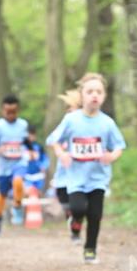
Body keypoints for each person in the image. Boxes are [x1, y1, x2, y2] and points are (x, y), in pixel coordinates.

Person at [47, 73, 125, 264]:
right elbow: (53, 140)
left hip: (98, 178)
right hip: (76, 178)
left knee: (95, 215)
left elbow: (119, 146)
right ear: (82, 95)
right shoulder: (71, 120)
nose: (94, 95)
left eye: (99, 91)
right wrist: (62, 154)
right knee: (78, 208)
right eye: (90, 91)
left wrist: (111, 156)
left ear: (104, 96)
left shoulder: (107, 122)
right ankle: (74, 225)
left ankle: (90, 249)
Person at [0, 94, 28, 235]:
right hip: (4, 166)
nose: (10, 115)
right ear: (2, 110)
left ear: (18, 110)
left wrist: (32, 150)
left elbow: (26, 141)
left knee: (18, 181)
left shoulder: (23, 124)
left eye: (13, 112)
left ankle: (17, 206)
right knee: (2, 194)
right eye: (8, 112)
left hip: (19, 162)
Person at [50, 89, 81, 222]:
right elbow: (52, 139)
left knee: (79, 207)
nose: (71, 113)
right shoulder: (65, 124)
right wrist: (60, 151)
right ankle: (73, 224)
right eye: (68, 110)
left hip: (81, 177)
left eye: (73, 109)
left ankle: (76, 223)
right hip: (63, 176)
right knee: (67, 205)